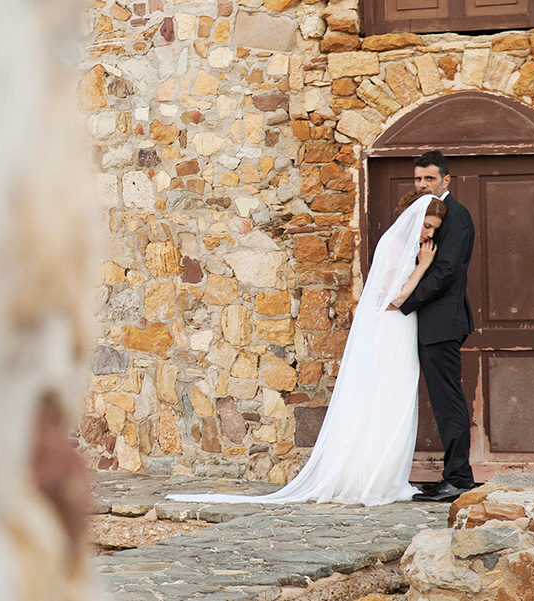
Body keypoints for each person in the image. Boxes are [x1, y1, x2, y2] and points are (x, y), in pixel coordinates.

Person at [167, 192, 447, 506]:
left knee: (395, 400)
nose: (429, 234)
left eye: (434, 229)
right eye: (426, 225)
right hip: (392, 327)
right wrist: (423, 267)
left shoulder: (406, 246)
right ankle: (371, 478)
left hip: (401, 329)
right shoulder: (396, 246)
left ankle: (385, 475)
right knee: (383, 399)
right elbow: (396, 298)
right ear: (413, 218)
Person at [403, 151, 476, 503]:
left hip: (442, 321)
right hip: (430, 321)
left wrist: (405, 303)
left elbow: (446, 272)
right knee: (443, 398)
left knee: (448, 399)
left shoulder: (457, 217)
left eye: (429, 179)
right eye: (418, 179)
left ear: (446, 180)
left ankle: (459, 478)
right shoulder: (426, 213)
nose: (422, 185)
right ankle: (456, 475)